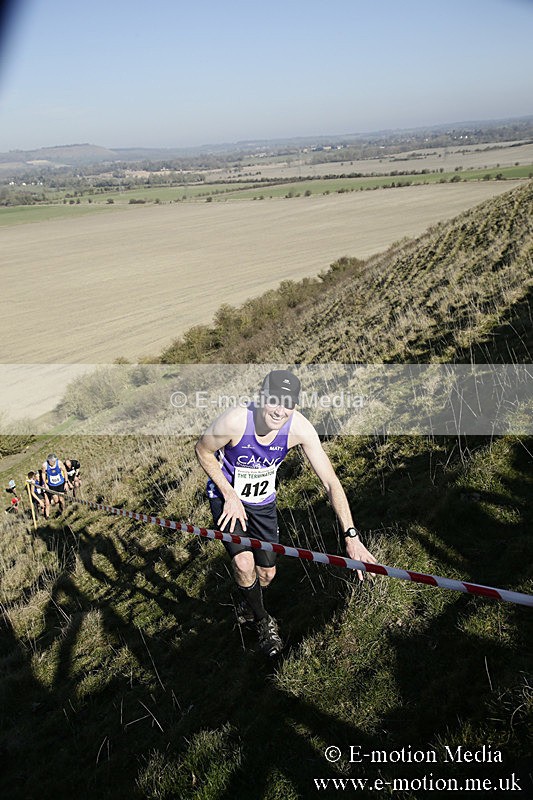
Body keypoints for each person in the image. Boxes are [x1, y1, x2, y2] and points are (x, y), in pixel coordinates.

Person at [195, 369, 378, 657]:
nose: (279, 410)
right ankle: (263, 621)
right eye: (274, 400)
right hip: (227, 498)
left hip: (263, 502)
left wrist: (351, 536)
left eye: (288, 403)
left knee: (267, 573)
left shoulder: (299, 429)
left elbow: (331, 482)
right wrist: (229, 495)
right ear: (261, 397)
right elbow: (203, 451)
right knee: (244, 564)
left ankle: (249, 601)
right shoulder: (235, 421)